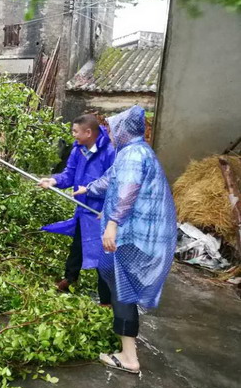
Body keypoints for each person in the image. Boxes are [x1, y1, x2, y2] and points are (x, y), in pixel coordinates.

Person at [75, 106, 176, 373]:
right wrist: (88, 188)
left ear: (123, 129)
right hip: (131, 231)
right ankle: (124, 338)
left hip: (131, 234)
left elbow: (127, 190)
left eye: (112, 127)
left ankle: (128, 356)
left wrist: (112, 223)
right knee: (110, 273)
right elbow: (112, 180)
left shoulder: (132, 155)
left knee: (122, 287)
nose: (109, 132)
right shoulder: (134, 151)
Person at [38, 114, 115, 304]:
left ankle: (106, 300)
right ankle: (69, 279)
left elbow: (113, 181)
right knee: (78, 246)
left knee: (102, 255)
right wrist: (54, 180)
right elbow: (69, 174)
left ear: (88, 132)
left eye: (75, 131)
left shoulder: (109, 153)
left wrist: (106, 207)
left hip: (100, 212)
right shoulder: (78, 150)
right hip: (83, 209)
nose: (73, 135)